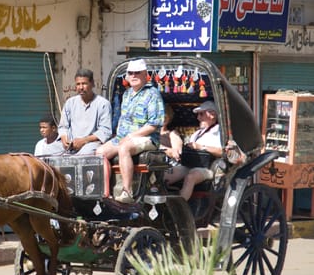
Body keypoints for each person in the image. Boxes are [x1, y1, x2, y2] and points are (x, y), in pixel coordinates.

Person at [96, 59, 164, 203]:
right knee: (100, 152)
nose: (133, 76)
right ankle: (105, 191)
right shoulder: (126, 94)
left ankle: (127, 191)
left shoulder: (152, 94)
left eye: (137, 73)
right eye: (130, 73)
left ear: (145, 75)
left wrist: (131, 136)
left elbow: (154, 125)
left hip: (147, 137)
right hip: (123, 136)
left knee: (124, 147)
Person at [164, 100, 223, 200]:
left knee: (191, 176)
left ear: (212, 115)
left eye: (201, 114)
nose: (198, 118)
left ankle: (181, 207)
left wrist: (201, 147)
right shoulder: (197, 133)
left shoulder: (219, 131)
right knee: (166, 175)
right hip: (190, 164)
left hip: (208, 167)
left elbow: (222, 152)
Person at [57, 68, 112, 155]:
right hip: (71, 145)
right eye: (78, 84)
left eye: (84, 83)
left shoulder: (103, 104)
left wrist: (84, 141)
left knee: (85, 153)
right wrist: (64, 138)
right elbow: (63, 127)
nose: (81, 87)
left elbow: (105, 131)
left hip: (91, 144)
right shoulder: (70, 103)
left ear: (92, 84)